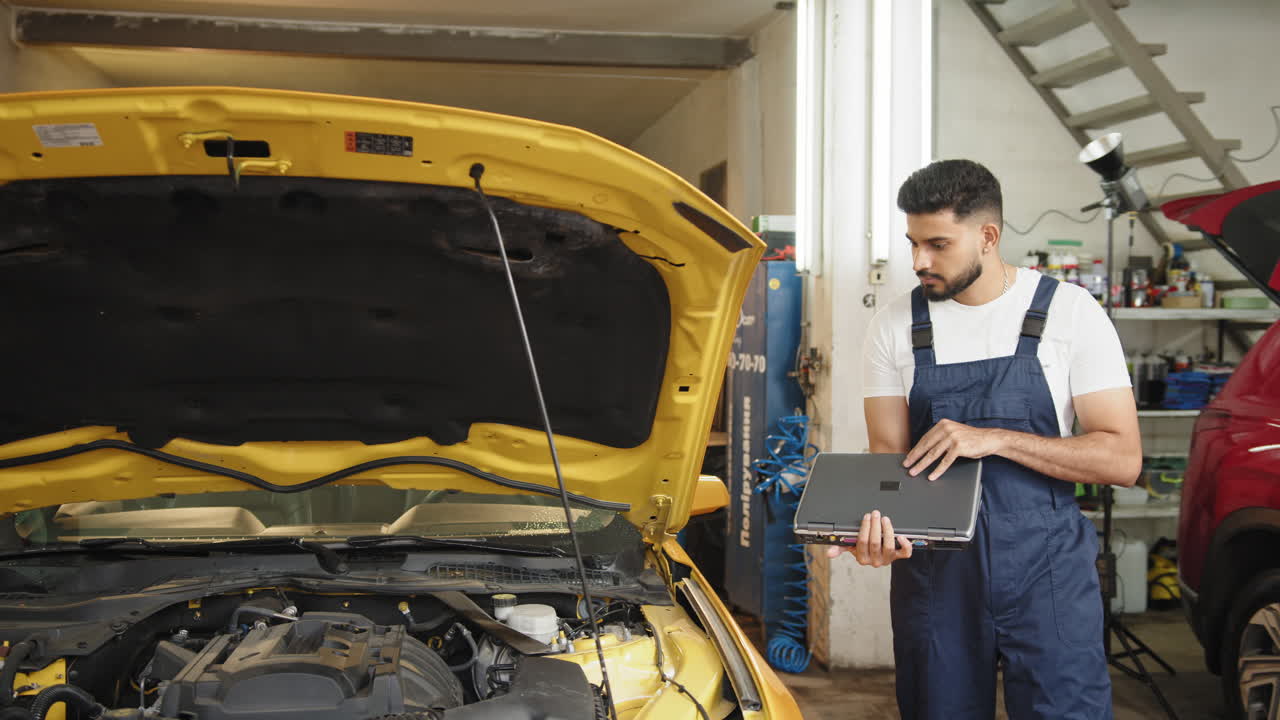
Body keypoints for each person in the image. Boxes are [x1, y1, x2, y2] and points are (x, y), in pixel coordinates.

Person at [828, 159, 1142, 719]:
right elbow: (890, 463)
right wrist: (873, 533)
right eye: (912, 244)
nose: (920, 261)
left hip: (1047, 571)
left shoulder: (1071, 313)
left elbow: (1121, 458)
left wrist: (996, 438)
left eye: (937, 244)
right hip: (935, 577)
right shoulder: (894, 327)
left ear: (988, 236)